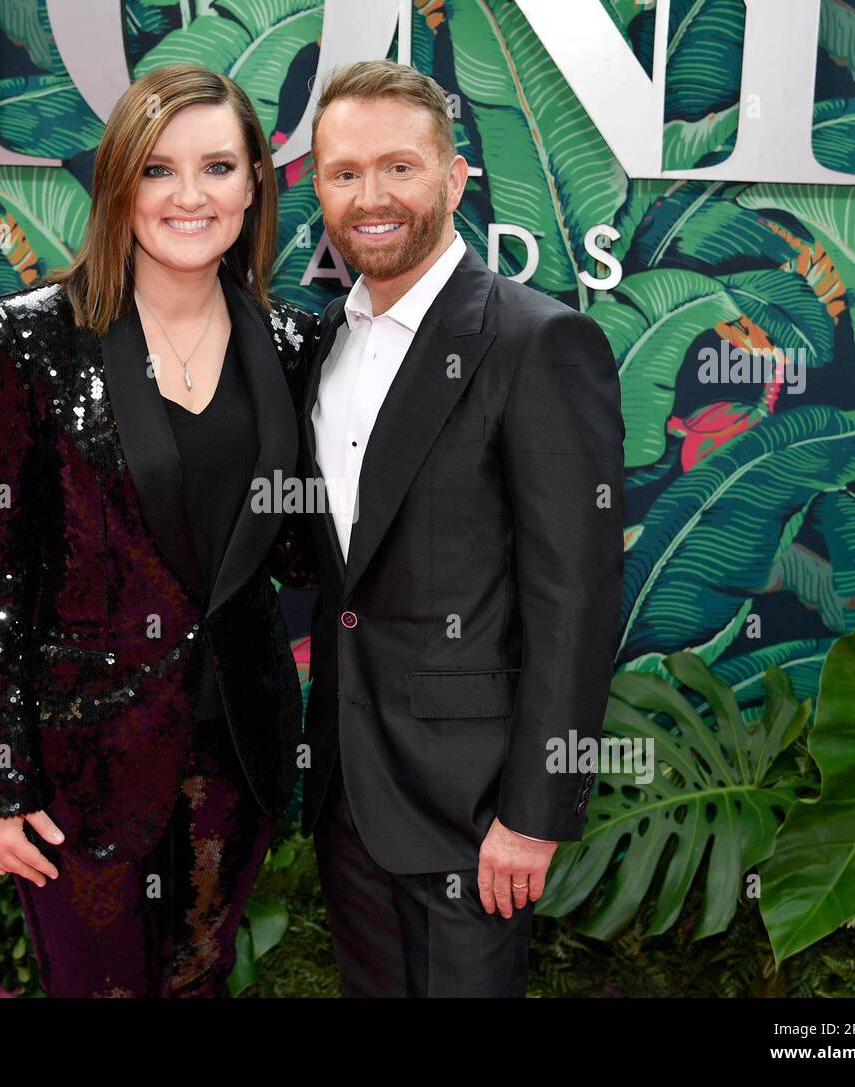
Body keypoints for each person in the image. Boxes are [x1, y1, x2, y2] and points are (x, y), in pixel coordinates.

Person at [0, 64, 319, 997]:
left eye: (219, 166)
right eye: (159, 169)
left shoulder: (295, 342)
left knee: (200, 980)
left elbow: (301, 547)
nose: (190, 196)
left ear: (255, 183)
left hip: (236, 749)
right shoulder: (25, 338)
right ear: (119, 184)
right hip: (77, 763)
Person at [296, 60, 625, 997]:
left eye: (400, 167)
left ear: (454, 178)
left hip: (473, 810)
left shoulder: (536, 341)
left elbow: (577, 596)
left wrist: (534, 814)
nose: (372, 197)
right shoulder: (323, 341)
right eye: (344, 172)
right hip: (350, 789)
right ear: (317, 186)